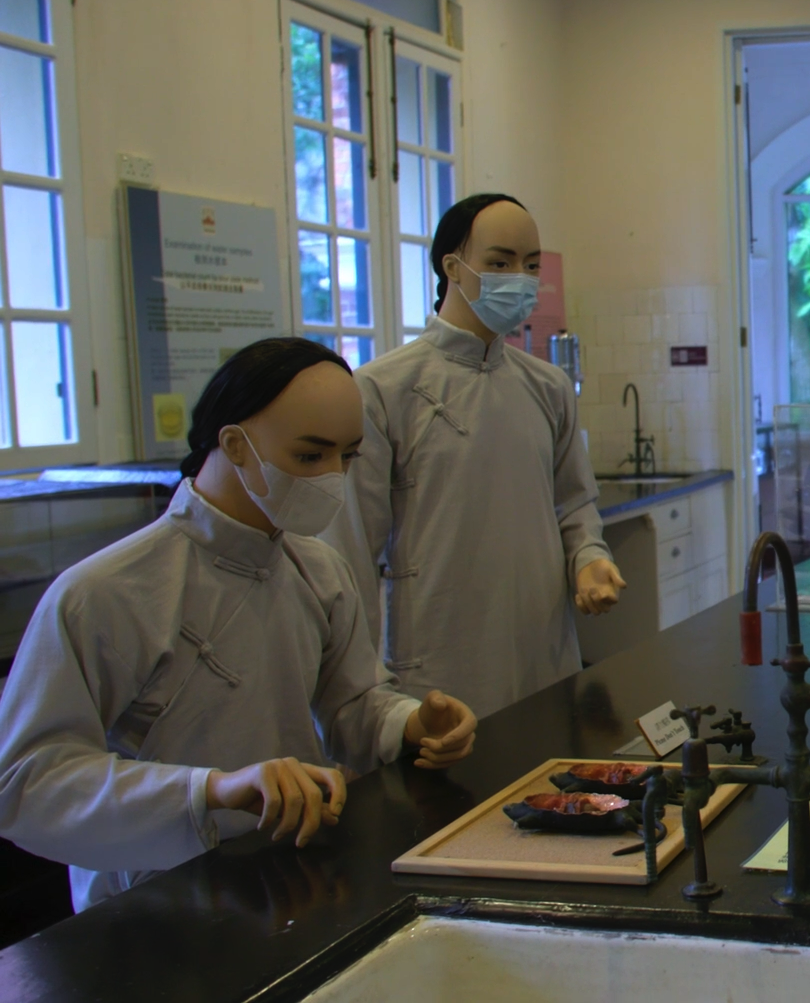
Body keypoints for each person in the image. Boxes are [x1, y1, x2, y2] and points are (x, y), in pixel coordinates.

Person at [0, 338, 478, 911]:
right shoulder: (104, 592)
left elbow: (351, 704)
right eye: (310, 456)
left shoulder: (318, 571)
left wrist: (411, 724)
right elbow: (27, 781)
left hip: (293, 875)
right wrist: (209, 790)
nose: (333, 477)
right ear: (234, 445)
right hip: (152, 901)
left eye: (348, 457)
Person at [326, 194, 625, 719]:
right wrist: (362, 697)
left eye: (531, 265)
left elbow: (574, 503)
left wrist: (589, 558)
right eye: (500, 263)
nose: (520, 279)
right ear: (452, 267)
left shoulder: (548, 386)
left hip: (543, 650)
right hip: (436, 661)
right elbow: (352, 554)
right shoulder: (381, 390)